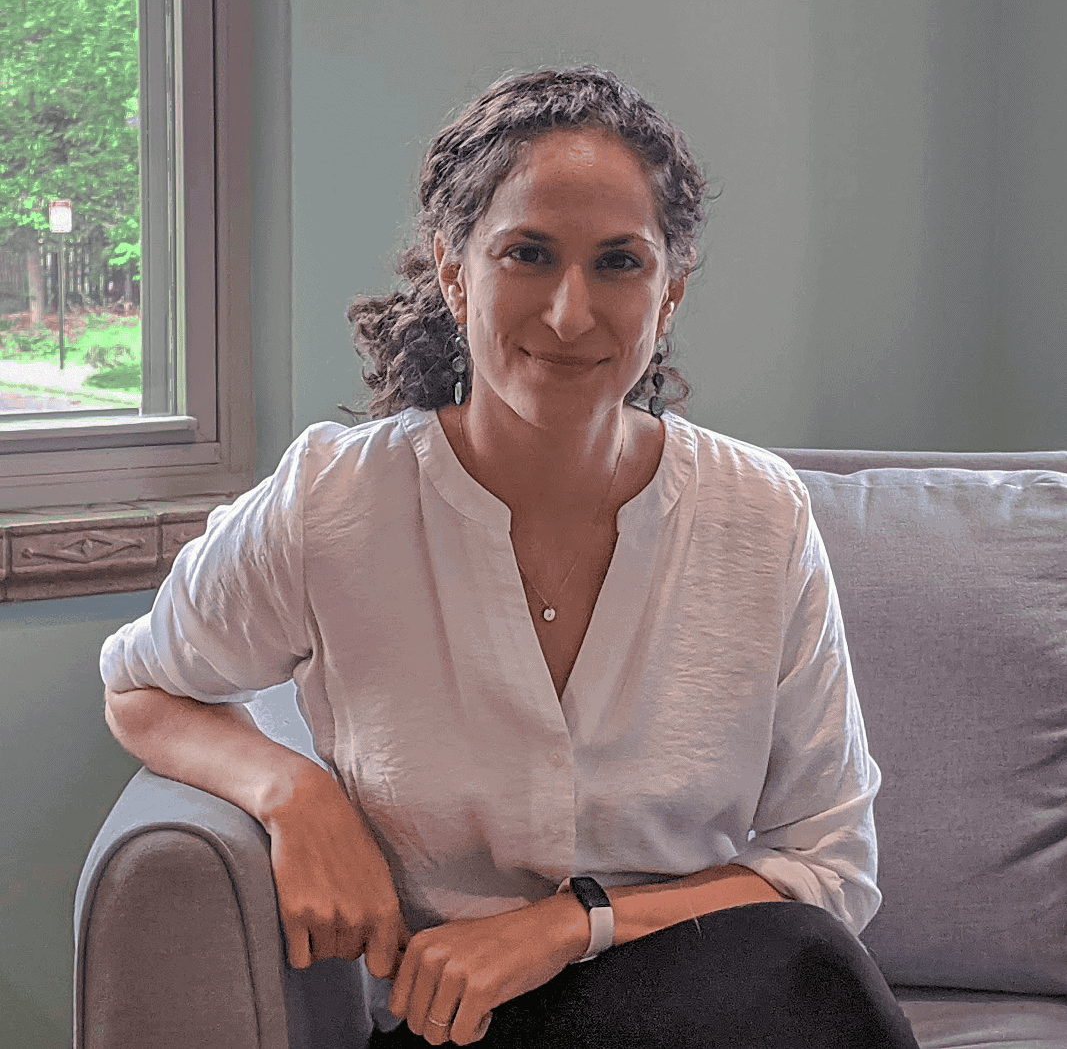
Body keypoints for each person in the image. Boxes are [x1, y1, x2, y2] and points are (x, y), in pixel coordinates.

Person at [101, 67, 920, 1048]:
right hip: (451, 1028)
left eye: (618, 262)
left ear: (671, 289)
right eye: (526, 254)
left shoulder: (758, 514)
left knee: (799, 960)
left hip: (709, 1003)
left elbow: (832, 863)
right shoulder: (336, 499)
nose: (570, 313)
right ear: (454, 270)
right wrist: (295, 792)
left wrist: (570, 924)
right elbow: (141, 686)